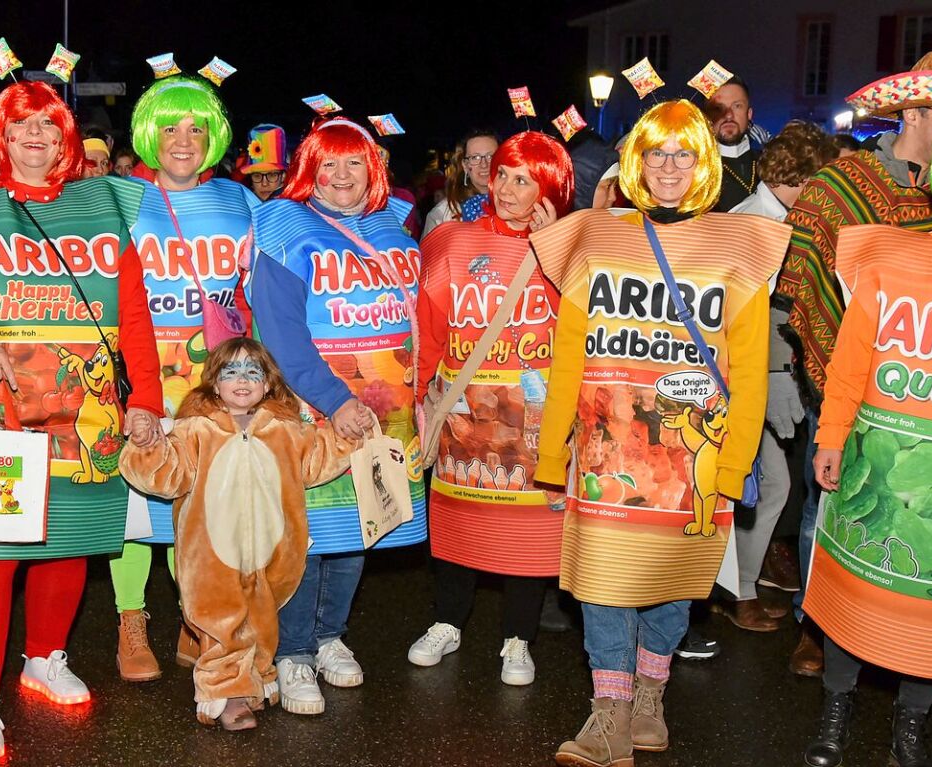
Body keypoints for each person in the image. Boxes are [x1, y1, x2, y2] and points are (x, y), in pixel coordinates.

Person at [529, 99, 790, 767]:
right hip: (602, 449)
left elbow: (749, 372)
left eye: (683, 153)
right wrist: (552, 452)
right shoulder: (592, 233)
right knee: (600, 582)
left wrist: (731, 466)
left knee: (673, 587)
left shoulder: (739, 243)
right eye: (655, 152)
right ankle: (608, 711)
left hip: (690, 459)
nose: (668, 166)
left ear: (702, 163)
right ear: (634, 161)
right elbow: (568, 355)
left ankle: (649, 701)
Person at [0, 80, 162, 761]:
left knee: (70, 541)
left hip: (82, 413)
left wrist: (145, 397)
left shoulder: (102, 206)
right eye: (20, 124)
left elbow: (132, 314)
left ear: (64, 139)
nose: (35, 136)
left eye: (48, 126)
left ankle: (43, 659)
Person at [250, 116, 426, 715]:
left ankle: (329, 637)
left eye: (354, 162)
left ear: (372, 168)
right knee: (307, 532)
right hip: (316, 405)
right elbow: (279, 332)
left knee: (360, 525)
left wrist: (422, 392)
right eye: (329, 164)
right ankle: (292, 651)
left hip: (388, 410)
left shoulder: (395, 226)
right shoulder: (282, 224)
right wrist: (335, 400)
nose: (342, 175)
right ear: (309, 171)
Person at [776, 51, 932, 680]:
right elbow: (801, 281)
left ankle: (907, 638)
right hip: (847, 380)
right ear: (917, 111)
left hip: (919, 392)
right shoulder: (842, 186)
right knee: (834, 497)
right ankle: (816, 622)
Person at [120, 338, 362, 730]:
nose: (243, 380)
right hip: (212, 556)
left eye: (254, 371)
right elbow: (168, 475)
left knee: (262, 620)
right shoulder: (196, 430)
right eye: (231, 371)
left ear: (268, 384)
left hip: (270, 550)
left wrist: (350, 434)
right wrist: (149, 446)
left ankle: (258, 677)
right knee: (220, 624)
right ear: (214, 384)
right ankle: (225, 692)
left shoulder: (284, 429)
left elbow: (317, 458)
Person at [110, 73, 262, 684]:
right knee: (136, 506)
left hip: (217, 382)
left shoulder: (240, 201)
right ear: (149, 134)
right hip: (141, 373)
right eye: (170, 126)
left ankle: (195, 617)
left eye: (196, 127)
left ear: (213, 136)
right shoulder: (120, 199)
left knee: (198, 508)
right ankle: (130, 620)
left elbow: (263, 292)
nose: (182, 139)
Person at [410, 132, 573, 684]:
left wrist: (556, 251)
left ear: (548, 188)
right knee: (458, 523)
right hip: (463, 411)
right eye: (503, 173)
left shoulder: (572, 248)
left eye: (523, 179)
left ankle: (517, 638)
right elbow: (429, 328)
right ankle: (446, 622)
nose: (505, 187)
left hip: (532, 414)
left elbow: (583, 330)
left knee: (529, 535)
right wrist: (421, 397)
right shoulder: (450, 240)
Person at [799, 215, 932, 767]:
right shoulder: (890, 259)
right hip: (874, 461)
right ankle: (837, 705)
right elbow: (852, 362)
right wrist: (830, 438)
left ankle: (911, 723)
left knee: (930, 604)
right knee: (854, 589)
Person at [719, 121, 839, 631]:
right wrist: (770, 378)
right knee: (752, 487)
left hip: (763, 374)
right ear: (805, 177)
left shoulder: (777, 216)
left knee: (770, 487)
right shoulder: (758, 224)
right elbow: (746, 314)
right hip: (742, 378)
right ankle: (732, 591)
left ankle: (739, 587)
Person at [422, 129, 500, 236]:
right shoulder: (442, 214)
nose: (484, 164)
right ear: (465, 165)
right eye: (475, 157)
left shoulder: (518, 205)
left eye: (490, 156)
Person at [706, 76, 760, 212]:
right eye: (718, 108)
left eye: (737, 106)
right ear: (706, 116)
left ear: (749, 114)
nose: (729, 115)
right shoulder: (697, 169)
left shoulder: (772, 161)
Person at [238, 123, 287, 201]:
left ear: (283, 176)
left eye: (271, 175)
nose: (264, 184)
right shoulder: (242, 207)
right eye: (257, 176)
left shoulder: (293, 211)